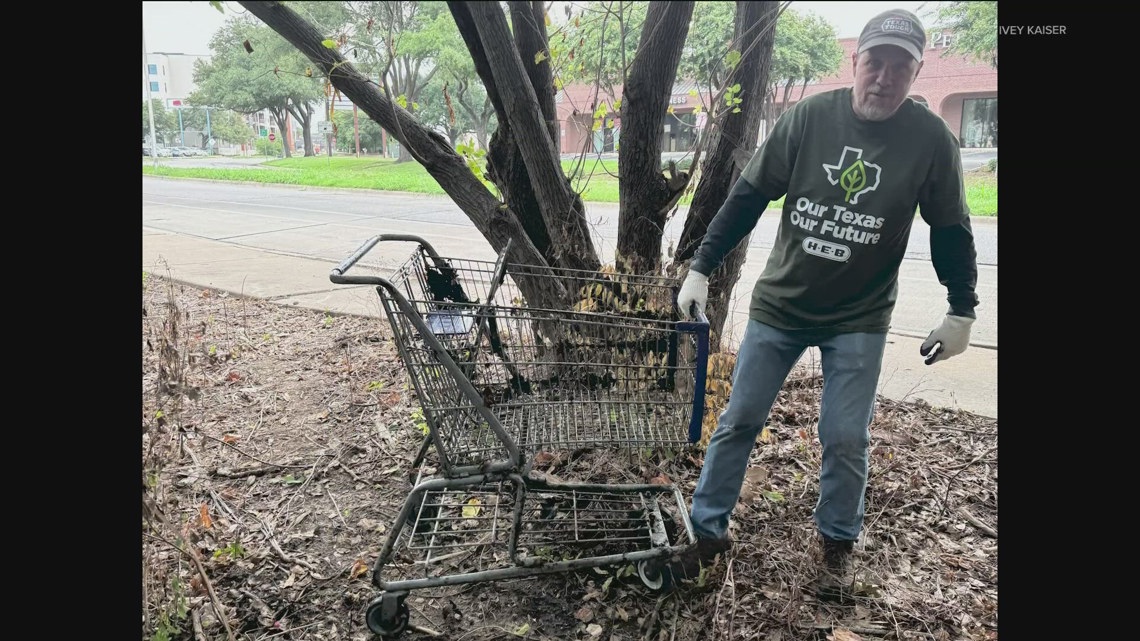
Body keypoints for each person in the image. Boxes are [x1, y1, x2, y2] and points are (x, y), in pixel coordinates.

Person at [674, 8, 979, 601]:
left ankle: (837, 541)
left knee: (845, 435)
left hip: (858, 316)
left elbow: (951, 229)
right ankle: (707, 532)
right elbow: (749, 195)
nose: (884, 78)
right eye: (875, 62)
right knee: (738, 420)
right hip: (781, 306)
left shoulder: (930, 142)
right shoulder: (811, 117)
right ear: (856, 62)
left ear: (917, 73)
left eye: (900, 67)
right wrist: (701, 267)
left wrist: (961, 308)